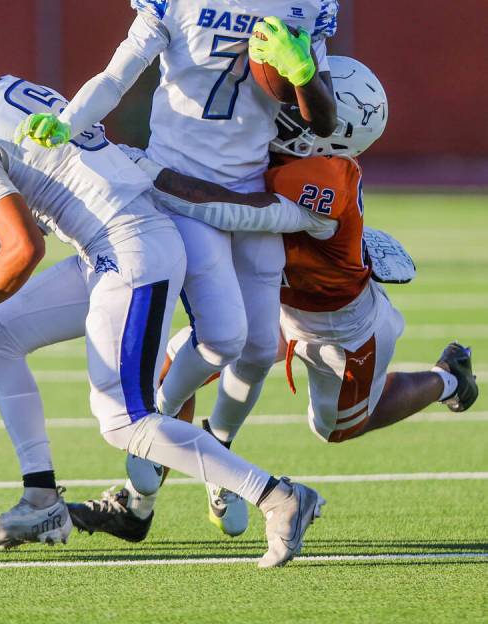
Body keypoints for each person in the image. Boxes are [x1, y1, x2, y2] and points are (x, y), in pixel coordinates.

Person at [0, 13, 330, 568]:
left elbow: (22, 251)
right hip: (122, 239)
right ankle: (41, 498)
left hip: (130, 249)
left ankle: (278, 496)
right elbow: (75, 170)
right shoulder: (15, 89)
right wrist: (31, 218)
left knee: (123, 422)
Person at [15, 0, 339, 530]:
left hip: (254, 189)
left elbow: (324, 121)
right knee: (223, 339)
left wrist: (305, 72)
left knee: (257, 349)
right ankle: (158, 425)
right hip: (180, 187)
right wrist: (71, 121)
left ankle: (215, 452)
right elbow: (120, 69)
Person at [66, 56, 478, 542]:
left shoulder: (322, 177)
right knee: (187, 355)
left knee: (338, 427)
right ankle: (138, 506)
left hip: (335, 325)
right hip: (279, 299)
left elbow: (236, 211)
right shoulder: (288, 152)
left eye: (304, 108)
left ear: (331, 135)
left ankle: (447, 379)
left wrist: (147, 170)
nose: (287, 111)